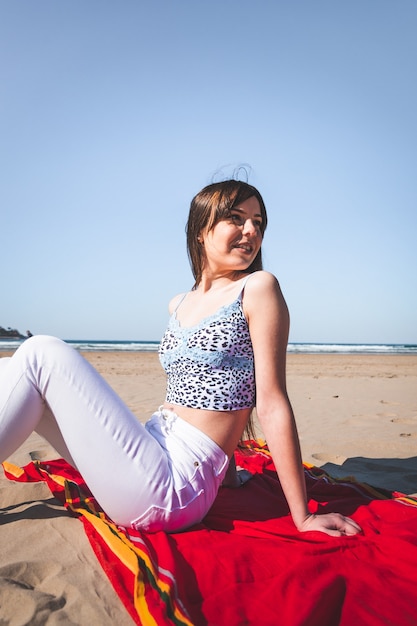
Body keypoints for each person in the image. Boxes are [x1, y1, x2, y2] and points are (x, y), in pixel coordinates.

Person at [0, 179, 361, 537]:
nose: (251, 231)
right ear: (202, 230)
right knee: (12, 369)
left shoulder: (257, 288)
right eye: (236, 218)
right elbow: (214, 386)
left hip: (172, 489)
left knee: (39, 352)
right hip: (151, 453)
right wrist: (229, 475)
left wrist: (303, 516)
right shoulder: (180, 303)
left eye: (258, 222)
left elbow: (269, 401)